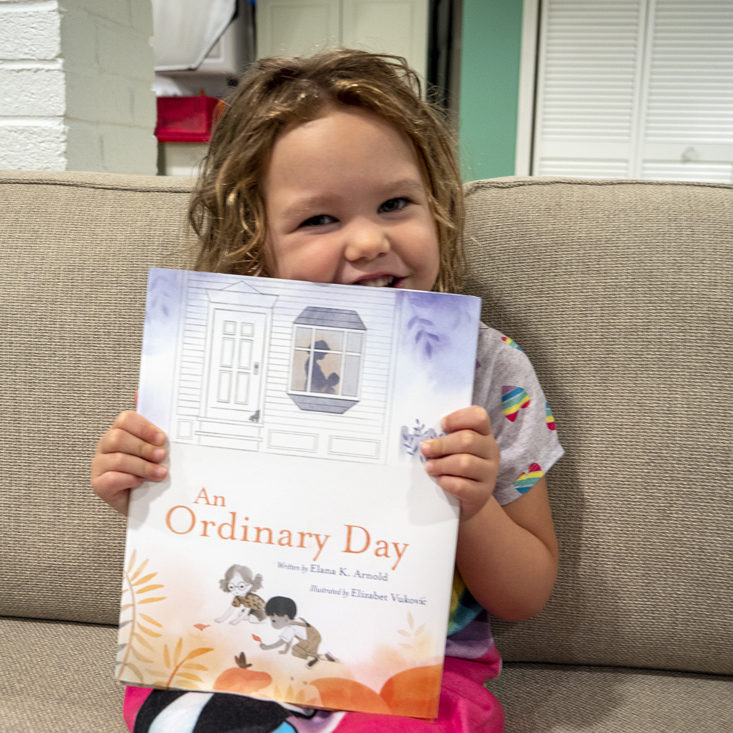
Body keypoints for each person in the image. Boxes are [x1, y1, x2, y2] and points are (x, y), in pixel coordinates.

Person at [91, 49, 563, 732]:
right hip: (231, 656)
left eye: (395, 203)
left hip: (414, 674)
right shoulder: (215, 358)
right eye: (319, 219)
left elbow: (526, 591)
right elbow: (191, 540)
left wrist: (472, 507)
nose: (370, 239)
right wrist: (134, 485)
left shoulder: (487, 369)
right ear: (258, 242)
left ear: (438, 207)